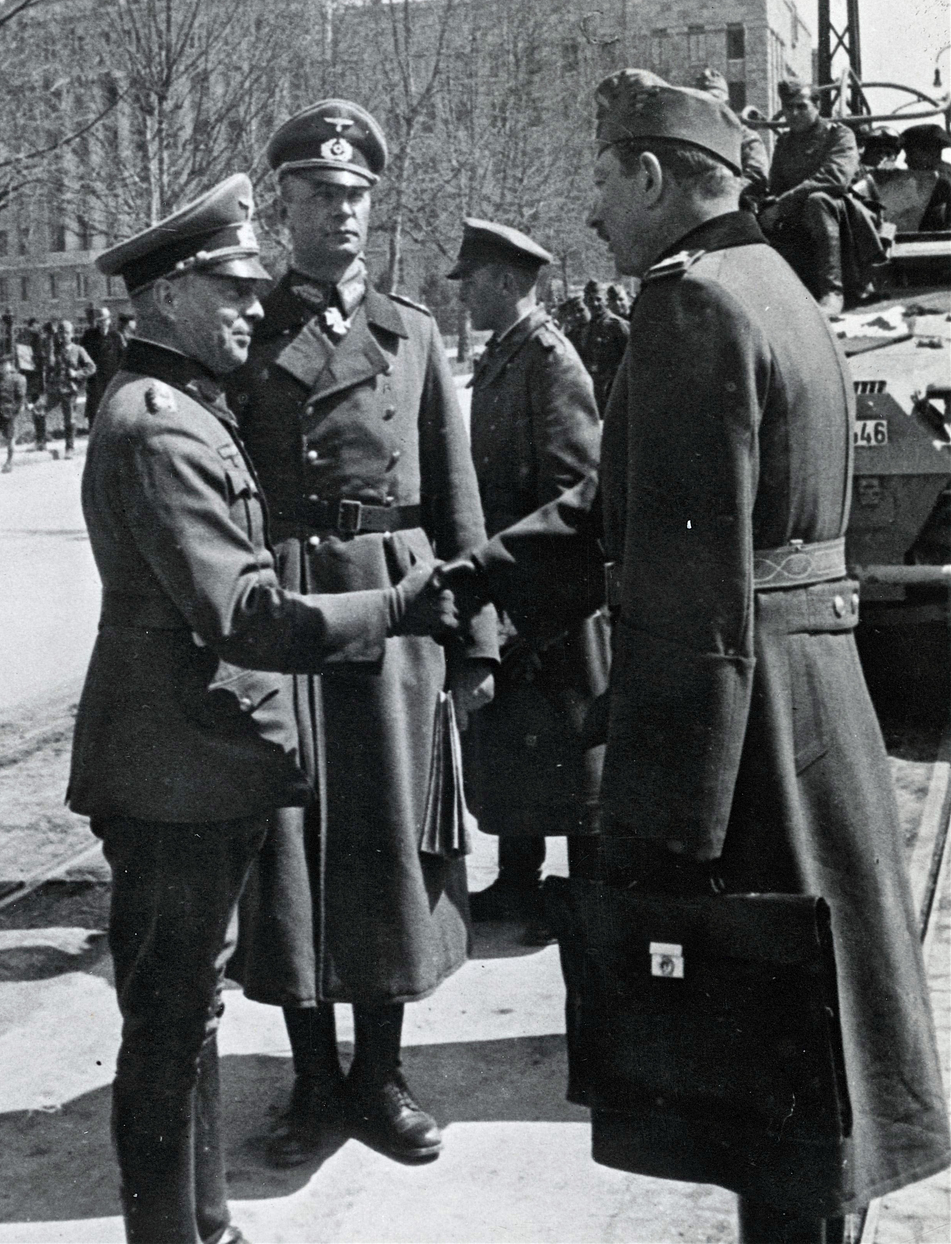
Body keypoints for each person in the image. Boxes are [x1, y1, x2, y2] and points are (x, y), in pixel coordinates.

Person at [441, 69, 950, 1244]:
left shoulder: (689, 308)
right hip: (813, 708)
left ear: (657, 177)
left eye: (605, 182)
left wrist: (665, 817)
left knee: (770, 1081)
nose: (594, 215)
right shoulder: (770, 286)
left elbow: (684, 590)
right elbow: (625, 516)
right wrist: (462, 582)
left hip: (746, 727)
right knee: (816, 1072)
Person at [68, 173, 457, 1244]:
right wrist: (390, 604)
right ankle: (170, 1232)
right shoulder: (159, 427)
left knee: (187, 1006)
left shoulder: (181, 405)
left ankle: (204, 1223)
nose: (252, 304)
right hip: (171, 762)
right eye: (229, 287)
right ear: (166, 298)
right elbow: (241, 609)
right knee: (164, 1022)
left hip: (193, 754)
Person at [226, 99, 498, 1169]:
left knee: (387, 837)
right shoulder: (250, 332)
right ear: (283, 208)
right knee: (293, 844)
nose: (339, 216)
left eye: (354, 198)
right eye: (317, 198)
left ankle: (379, 1075)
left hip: (397, 606)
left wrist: (475, 641)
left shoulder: (411, 331)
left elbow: (458, 494)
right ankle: (309, 1078)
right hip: (291, 603)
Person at [449, 218, 605, 946]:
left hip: (550, 597)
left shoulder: (550, 360)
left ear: (507, 283)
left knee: (567, 746)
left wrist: (529, 599)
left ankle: (576, 893)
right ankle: (519, 880)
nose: (464, 296)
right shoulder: (504, 356)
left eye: (473, 282)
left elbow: (574, 490)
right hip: (512, 584)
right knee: (518, 743)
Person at [761, 79, 880, 314]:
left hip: (843, 215)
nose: (793, 113)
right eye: (788, 108)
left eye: (801, 106)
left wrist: (783, 204)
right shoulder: (784, 143)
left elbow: (835, 179)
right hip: (799, 216)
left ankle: (833, 292)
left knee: (818, 201)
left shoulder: (840, 135)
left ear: (817, 106)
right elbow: (776, 187)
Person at [694, 65, 769, 204]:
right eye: (702, 100)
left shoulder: (745, 136)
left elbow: (757, 177)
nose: (709, 105)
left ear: (727, 103)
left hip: (735, 205)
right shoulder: (693, 137)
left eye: (714, 98)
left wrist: (720, 192)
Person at [32, 320, 95, 456]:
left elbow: (91, 367)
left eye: (67, 333)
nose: (64, 335)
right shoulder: (55, 349)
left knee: (69, 419)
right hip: (54, 389)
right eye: (61, 332)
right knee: (38, 409)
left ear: (72, 334)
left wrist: (77, 374)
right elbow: (49, 364)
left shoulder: (78, 350)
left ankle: (69, 448)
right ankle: (41, 441)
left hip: (69, 390)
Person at [579, 279, 629, 417]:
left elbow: (631, 359)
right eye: (590, 299)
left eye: (598, 299)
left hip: (614, 392)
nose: (594, 303)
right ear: (585, 301)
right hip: (594, 392)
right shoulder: (586, 328)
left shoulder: (617, 325)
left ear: (606, 300)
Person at [81, 305, 122, 423]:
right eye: (100, 321)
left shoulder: (115, 337)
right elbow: (83, 356)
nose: (103, 323)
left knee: (112, 406)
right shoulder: (89, 336)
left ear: (109, 320)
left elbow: (121, 357)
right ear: (97, 322)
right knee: (94, 408)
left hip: (111, 377)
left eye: (105, 320)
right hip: (95, 378)